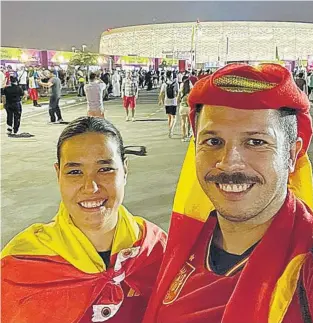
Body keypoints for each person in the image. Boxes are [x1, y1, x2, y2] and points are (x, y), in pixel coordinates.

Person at [143, 64, 313, 323]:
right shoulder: (183, 248)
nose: (229, 163)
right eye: (213, 141)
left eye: (256, 142)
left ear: (291, 155)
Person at [1, 116, 167, 323]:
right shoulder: (21, 263)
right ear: (58, 174)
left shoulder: (157, 249)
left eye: (105, 169)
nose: (91, 187)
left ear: (125, 171)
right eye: (75, 172)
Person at [159, 70, 179, 138]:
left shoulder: (164, 84)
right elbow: (178, 92)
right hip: (173, 102)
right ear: (172, 75)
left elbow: (161, 93)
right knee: (174, 117)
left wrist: (161, 101)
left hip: (166, 102)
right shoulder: (175, 83)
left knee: (169, 117)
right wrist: (178, 100)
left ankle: (169, 130)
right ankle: (171, 130)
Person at [177, 75, 192, 142]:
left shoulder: (181, 85)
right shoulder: (190, 86)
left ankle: (183, 137)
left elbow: (178, 95)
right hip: (189, 107)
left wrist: (177, 102)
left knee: (183, 122)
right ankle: (188, 133)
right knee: (189, 122)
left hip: (182, 107)